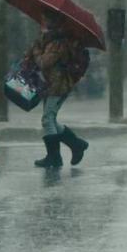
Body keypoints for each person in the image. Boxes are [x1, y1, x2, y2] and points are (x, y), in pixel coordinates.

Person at [26, 10, 90, 168]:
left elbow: (43, 62)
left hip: (58, 85)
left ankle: (54, 157)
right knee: (51, 119)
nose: (42, 22)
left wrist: (35, 50)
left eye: (45, 19)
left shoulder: (58, 42)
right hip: (49, 84)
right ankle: (76, 144)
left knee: (47, 119)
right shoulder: (48, 38)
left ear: (52, 22)